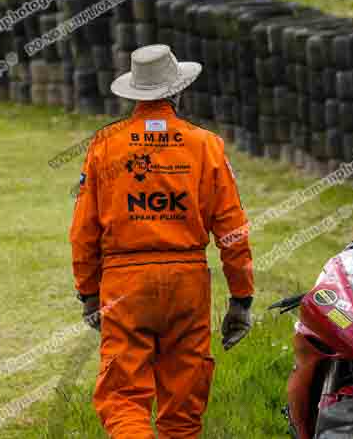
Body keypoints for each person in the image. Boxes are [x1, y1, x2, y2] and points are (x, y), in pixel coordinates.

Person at [70, 44, 255, 439]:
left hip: (124, 285)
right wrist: (241, 299)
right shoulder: (206, 145)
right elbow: (232, 229)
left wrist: (88, 292)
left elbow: (83, 230)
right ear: (177, 91)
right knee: (183, 408)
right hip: (186, 283)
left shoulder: (105, 145)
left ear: (135, 92)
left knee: (123, 399)